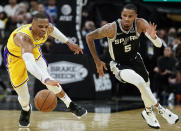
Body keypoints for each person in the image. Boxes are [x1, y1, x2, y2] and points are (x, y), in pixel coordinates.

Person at [86, 4, 179, 129]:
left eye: (130, 16)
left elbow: (157, 45)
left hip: (136, 60)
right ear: (121, 16)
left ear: (136, 17)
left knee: (146, 87)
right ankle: (162, 110)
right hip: (119, 64)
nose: (126, 19)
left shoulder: (140, 24)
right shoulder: (111, 28)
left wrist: (154, 37)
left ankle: (148, 113)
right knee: (139, 82)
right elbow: (89, 37)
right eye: (124, 15)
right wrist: (97, 61)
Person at [3, 13, 87, 127]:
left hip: (33, 51)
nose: (44, 30)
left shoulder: (47, 28)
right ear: (32, 25)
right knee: (24, 97)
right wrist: (44, 79)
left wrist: (68, 42)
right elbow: (29, 63)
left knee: (50, 80)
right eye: (40, 26)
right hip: (14, 57)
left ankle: (71, 105)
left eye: (45, 27)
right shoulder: (23, 38)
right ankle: (26, 109)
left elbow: (53, 30)